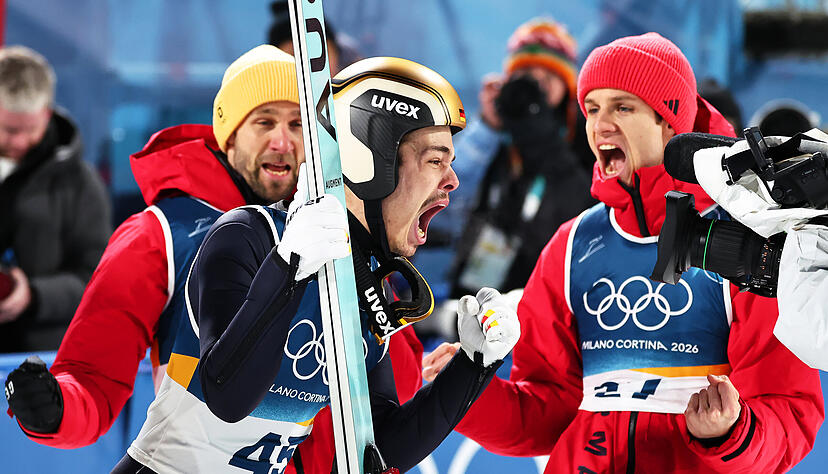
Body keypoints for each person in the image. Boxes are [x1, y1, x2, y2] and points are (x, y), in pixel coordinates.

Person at [426, 33, 824, 473]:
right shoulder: (572, 243)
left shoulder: (748, 243)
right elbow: (547, 412)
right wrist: (465, 393)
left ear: (670, 123)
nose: (600, 125)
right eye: (592, 108)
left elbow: (790, 408)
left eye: (622, 107)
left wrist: (732, 433)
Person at [116, 57, 521, 474]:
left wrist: (474, 364)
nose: (452, 180)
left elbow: (379, 447)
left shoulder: (364, 285)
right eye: (436, 161)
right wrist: (289, 267)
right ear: (373, 162)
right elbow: (227, 397)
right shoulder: (249, 235)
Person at [3, 44, 303, 448]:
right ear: (228, 136)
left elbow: (383, 396)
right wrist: (57, 408)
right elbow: (93, 376)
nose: (282, 141)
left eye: (298, 125)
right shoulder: (159, 235)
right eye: (263, 122)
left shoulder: (343, 236)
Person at [425, 18, 593, 304]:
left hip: (550, 289)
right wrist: (488, 127)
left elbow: (578, 203)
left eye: (546, 79)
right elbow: (446, 190)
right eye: (526, 77)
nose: (534, 89)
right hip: (478, 286)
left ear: (567, 86)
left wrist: (537, 131)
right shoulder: (500, 131)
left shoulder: (584, 132)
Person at [0, 45, 110, 352]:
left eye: (31, 129)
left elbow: (97, 278)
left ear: (47, 113)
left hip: (44, 359)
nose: (19, 141)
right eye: (9, 130)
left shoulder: (81, 185)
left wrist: (33, 296)